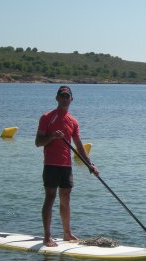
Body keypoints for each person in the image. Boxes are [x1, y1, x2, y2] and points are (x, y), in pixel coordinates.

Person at [35, 85, 99, 247]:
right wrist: (52, 137)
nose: (65, 99)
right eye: (62, 96)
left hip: (66, 165)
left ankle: (66, 233)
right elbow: (38, 142)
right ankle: (47, 236)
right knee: (50, 197)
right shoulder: (47, 117)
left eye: (67, 96)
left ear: (71, 99)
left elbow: (78, 145)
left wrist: (89, 164)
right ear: (57, 98)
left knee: (66, 198)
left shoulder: (73, 121)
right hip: (51, 164)